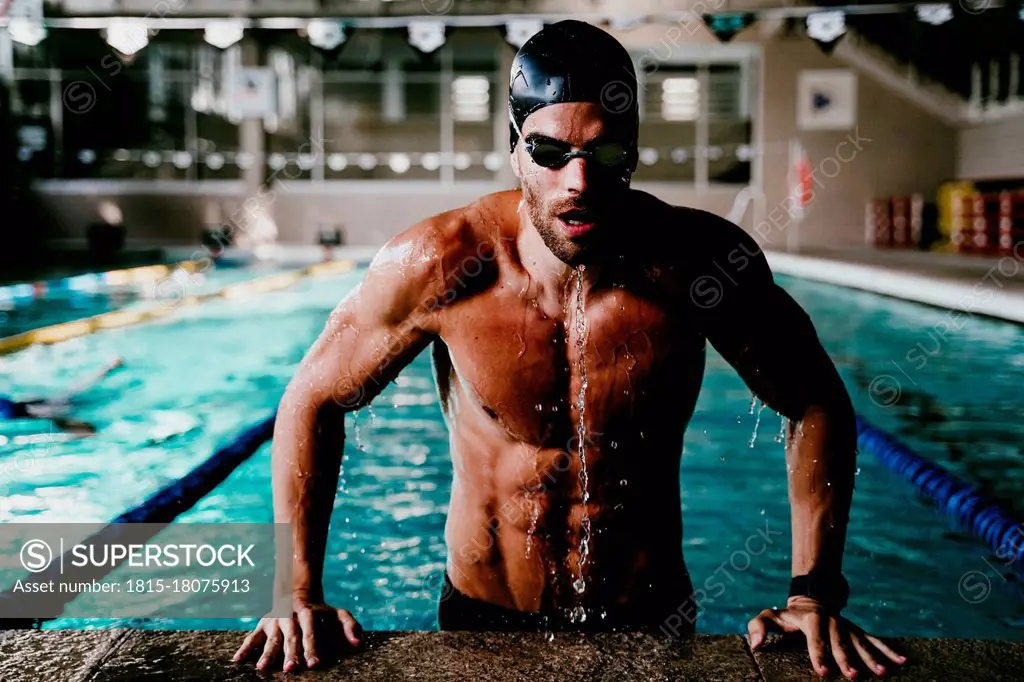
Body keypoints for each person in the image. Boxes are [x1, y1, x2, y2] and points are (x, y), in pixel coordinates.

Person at [234, 20, 906, 679]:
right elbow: (312, 399)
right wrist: (294, 591)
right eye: (551, 153)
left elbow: (814, 399)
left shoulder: (701, 267)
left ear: (635, 152)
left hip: (650, 619)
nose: (578, 181)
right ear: (515, 147)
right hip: (482, 620)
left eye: (605, 153)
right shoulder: (444, 265)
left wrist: (812, 593)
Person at [0, 356, 123, 436]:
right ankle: (109, 368)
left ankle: (87, 431)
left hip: (30, 409)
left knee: (66, 404)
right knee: (71, 395)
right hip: (27, 406)